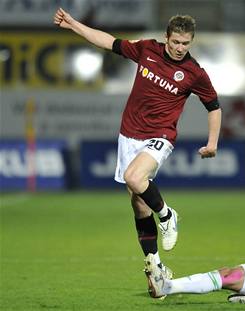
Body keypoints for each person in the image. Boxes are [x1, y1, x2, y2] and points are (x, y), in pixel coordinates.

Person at [53, 8, 222, 289]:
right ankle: (155, 265)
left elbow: (214, 107)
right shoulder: (146, 50)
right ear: (166, 38)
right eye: (176, 42)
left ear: (191, 42)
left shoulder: (194, 73)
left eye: (185, 43)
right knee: (139, 204)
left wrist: (213, 143)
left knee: (135, 178)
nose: (180, 48)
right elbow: (108, 42)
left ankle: (168, 215)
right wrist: (74, 25)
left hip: (160, 136)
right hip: (128, 136)